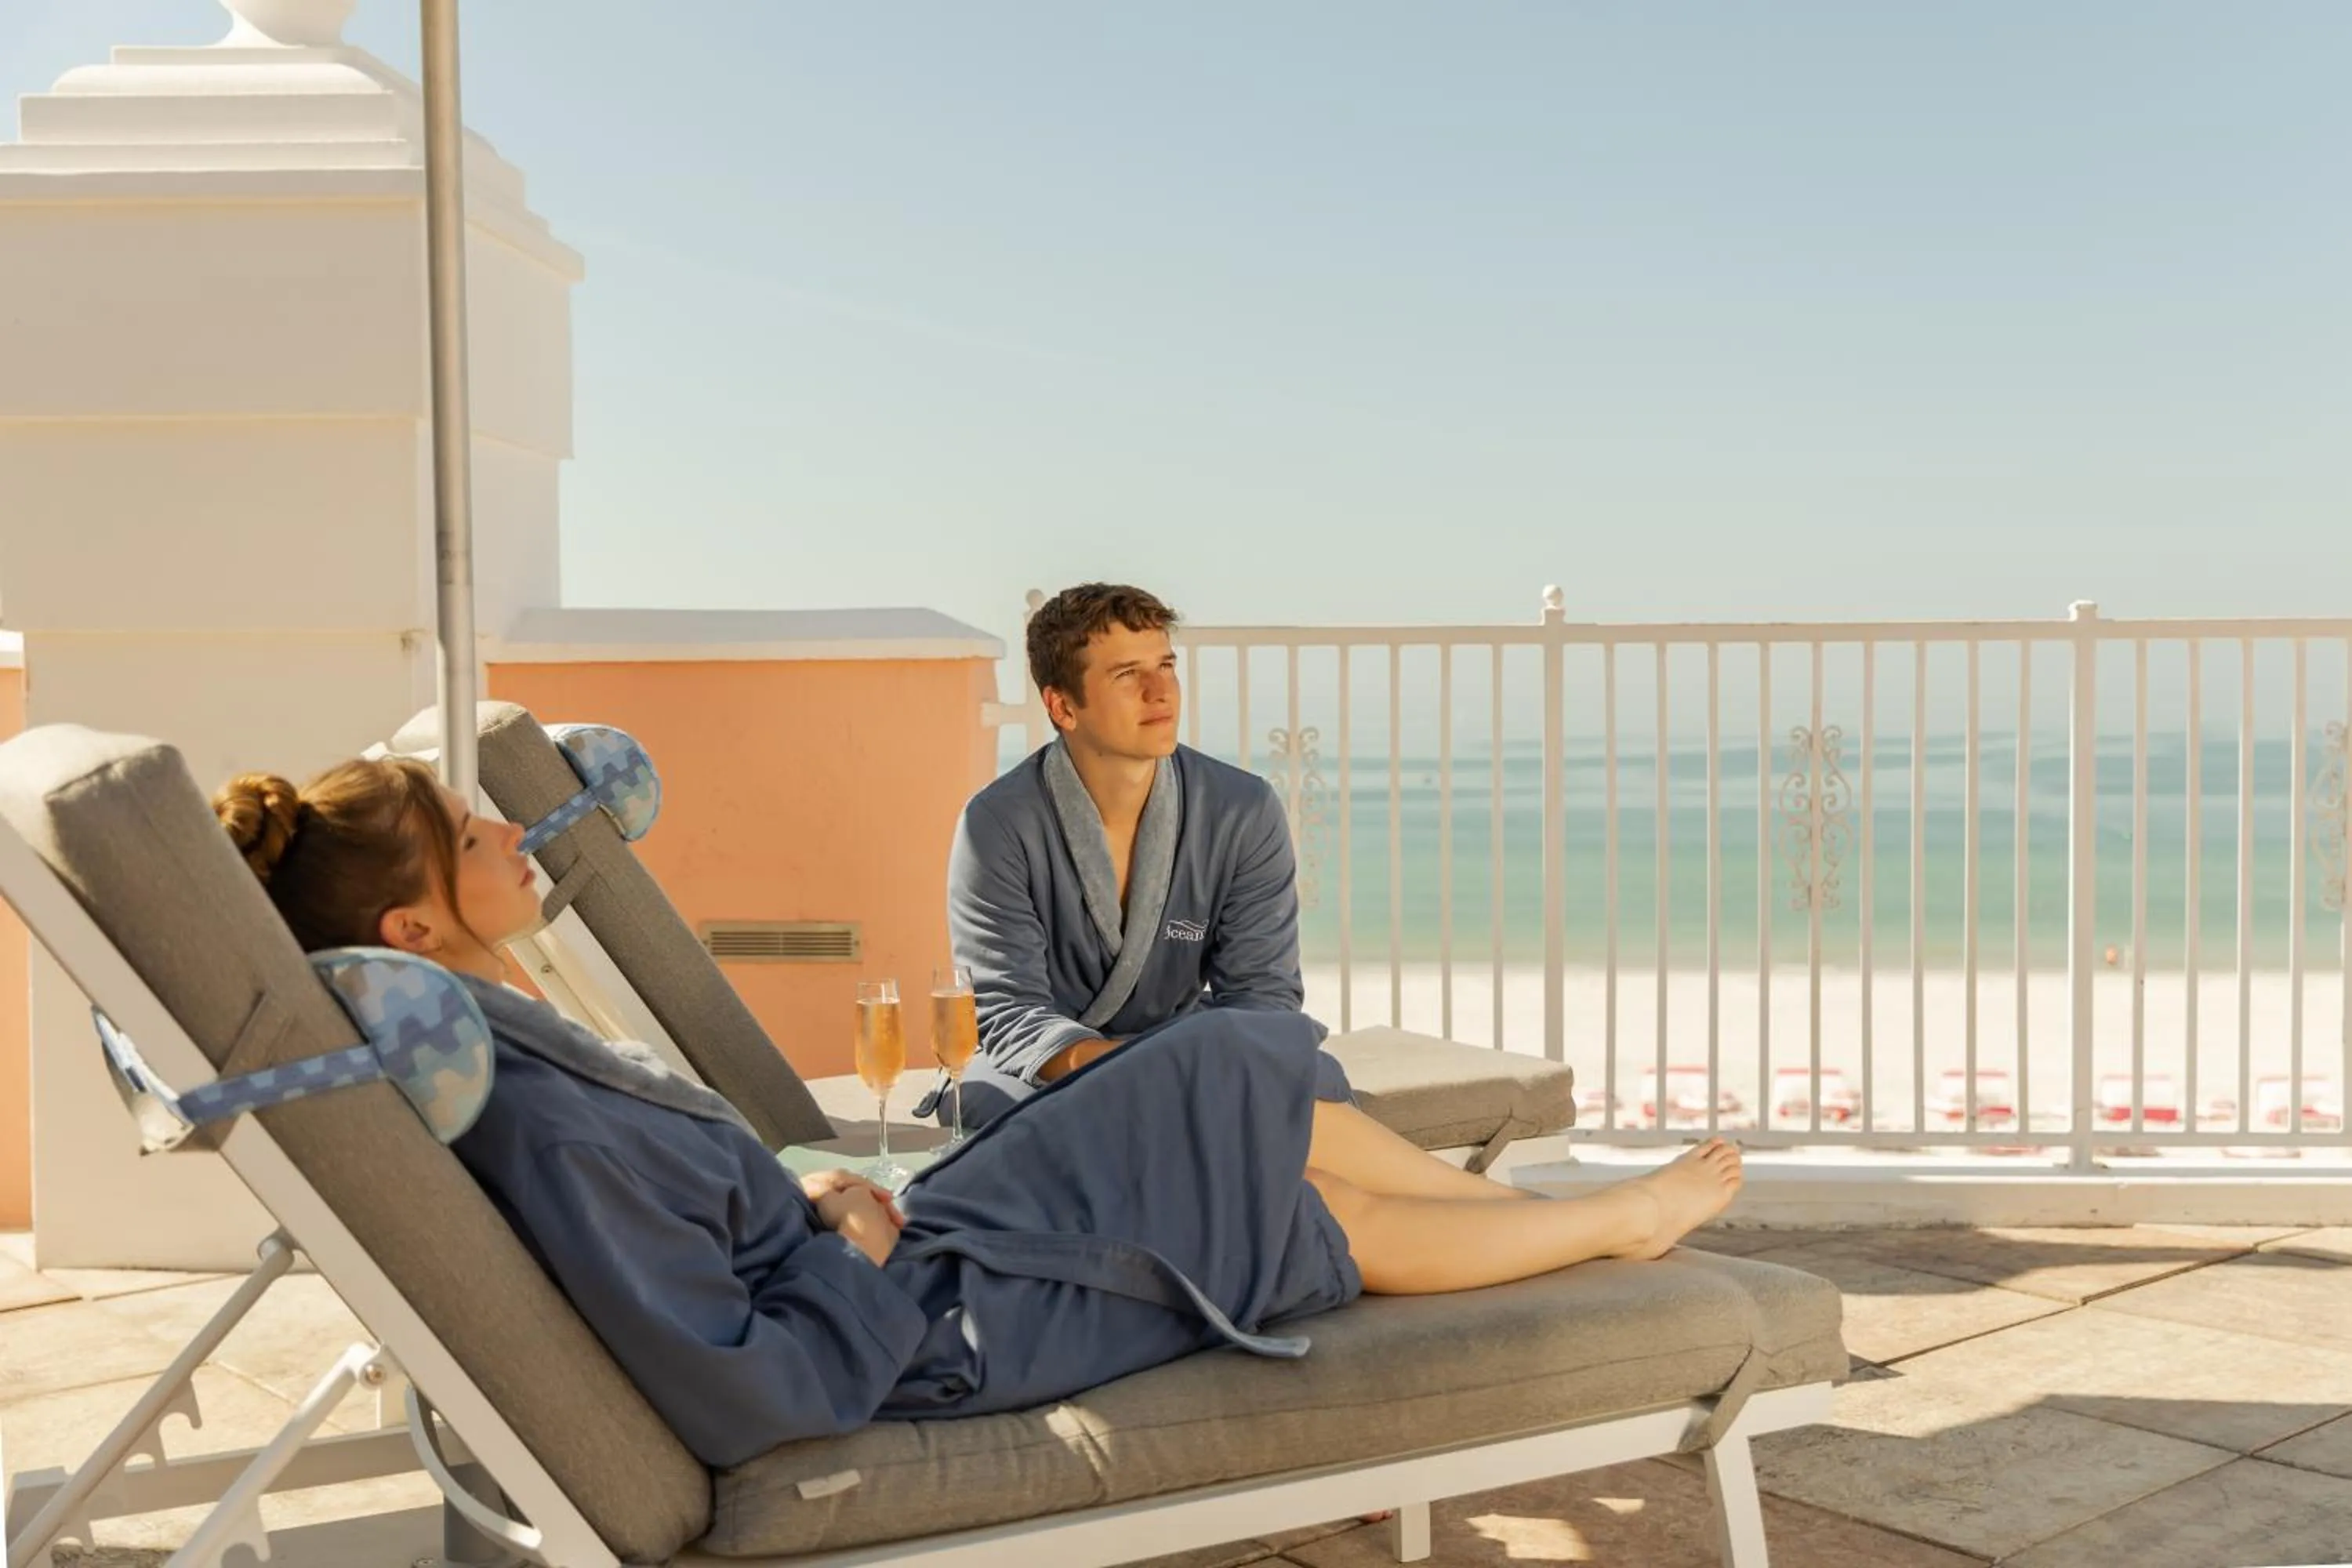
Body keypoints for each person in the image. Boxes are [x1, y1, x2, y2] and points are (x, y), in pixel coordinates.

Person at [214, 757, 1743, 1469]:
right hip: (929, 1333)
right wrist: (848, 1241)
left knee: (1235, 1064)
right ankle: (1605, 1225)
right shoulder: (542, 1122)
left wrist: (821, 1201)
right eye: (468, 830)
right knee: (1285, 1179)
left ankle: (1562, 1222)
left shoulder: (522, 1051)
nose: (508, 828)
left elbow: (714, 1239)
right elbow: (742, 1391)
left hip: (904, 1257)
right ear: (412, 931)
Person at [948, 585, 1309, 1111]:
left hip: (1184, 1055)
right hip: (1051, 1069)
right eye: (1127, 674)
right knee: (1020, 1108)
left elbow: (1263, 998)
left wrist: (1185, 1065)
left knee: (1315, 1080)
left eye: (1166, 666)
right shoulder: (998, 825)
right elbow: (1010, 1013)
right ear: (1062, 706)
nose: (1160, 692)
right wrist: (1139, 1071)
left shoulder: (1242, 811)